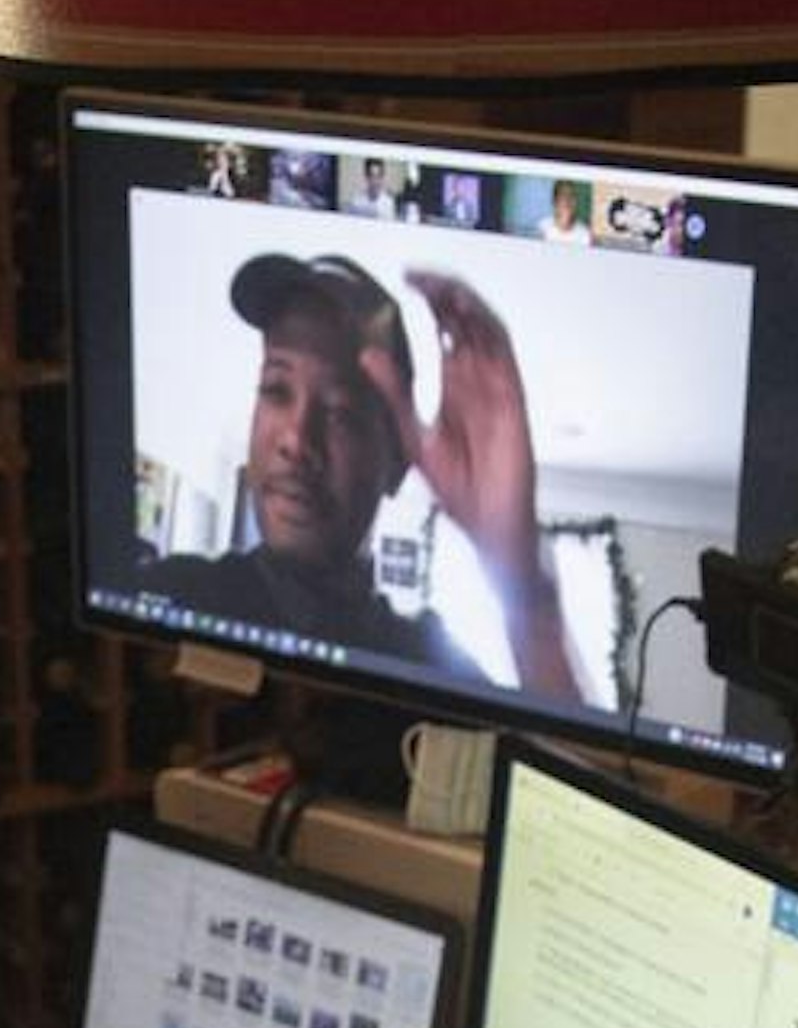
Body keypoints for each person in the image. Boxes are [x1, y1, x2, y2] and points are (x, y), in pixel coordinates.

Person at [134, 250, 579, 696]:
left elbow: (565, 761)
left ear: (397, 464)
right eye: (276, 390)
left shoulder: (428, 664)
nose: (295, 439)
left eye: (341, 412)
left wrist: (523, 583)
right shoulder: (169, 594)